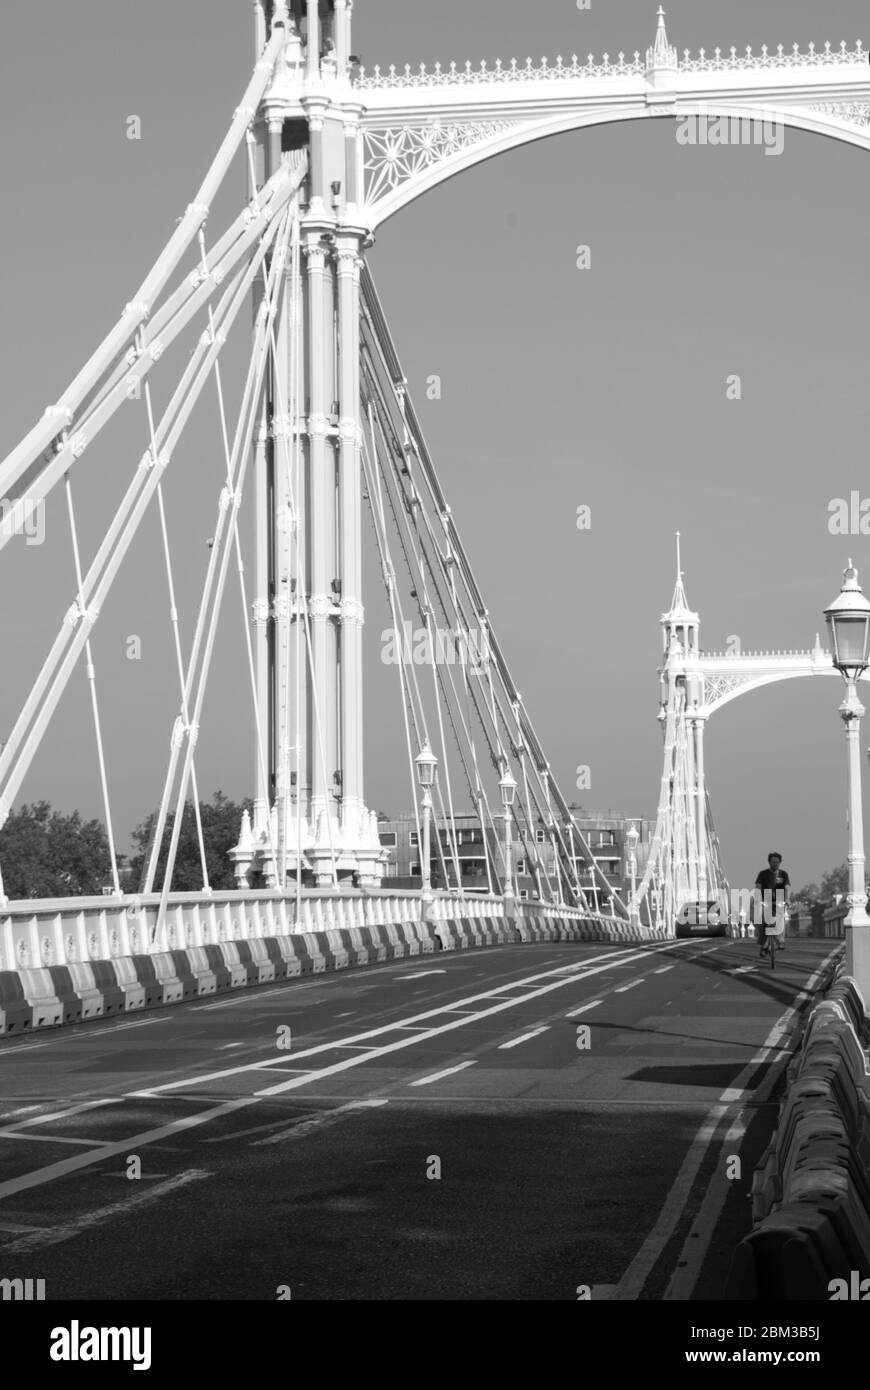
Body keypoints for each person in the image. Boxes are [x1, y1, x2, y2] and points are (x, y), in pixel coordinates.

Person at [754, 852, 790, 956]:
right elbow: (758, 886)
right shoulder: (763, 874)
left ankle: (780, 942)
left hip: (779, 901)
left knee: (781, 921)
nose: (775, 864)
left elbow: (787, 888)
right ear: (769, 862)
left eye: (777, 862)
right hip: (766, 901)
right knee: (763, 923)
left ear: (780, 863)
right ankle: (763, 945)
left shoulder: (784, 874)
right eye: (773, 862)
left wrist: (787, 900)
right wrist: (758, 899)